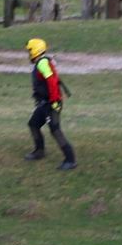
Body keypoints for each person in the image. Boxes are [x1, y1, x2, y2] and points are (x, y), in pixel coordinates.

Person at [23, 38, 76, 171]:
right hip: (44, 103)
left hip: (51, 103)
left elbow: (52, 81)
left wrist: (54, 101)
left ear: (36, 50)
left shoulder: (42, 64)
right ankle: (39, 151)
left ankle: (70, 159)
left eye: (30, 51)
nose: (28, 53)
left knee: (55, 130)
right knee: (33, 124)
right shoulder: (41, 62)